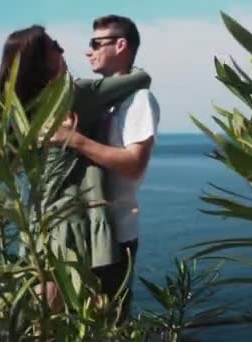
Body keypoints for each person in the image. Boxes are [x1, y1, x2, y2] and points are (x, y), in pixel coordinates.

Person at [0, 25, 151, 272]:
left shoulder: (16, 111)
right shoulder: (76, 96)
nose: (63, 49)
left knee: (46, 304)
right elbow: (141, 78)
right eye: (55, 47)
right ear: (42, 62)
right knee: (93, 305)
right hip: (76, 225)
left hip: (39, 223)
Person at [51, 15, 160, 317]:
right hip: (84, 232)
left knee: (108, 323)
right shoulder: (104, 99)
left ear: (121, 45)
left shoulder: (139, 100)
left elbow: (134, 164)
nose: (88, 51)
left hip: (116, 235)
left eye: (95, 43)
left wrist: (73, 140)